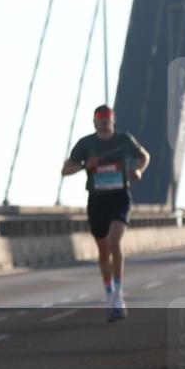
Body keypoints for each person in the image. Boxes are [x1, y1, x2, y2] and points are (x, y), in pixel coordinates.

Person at [61, 104, 150, 322]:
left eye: (107, 117)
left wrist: (138, 169)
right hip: (97, 200)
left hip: (119, 197)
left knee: (114, 241)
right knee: (103, 251)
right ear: (94, 122)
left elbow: (144, 155)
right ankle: (109, 294)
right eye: (100, 117)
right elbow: (65, 170)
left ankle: (119, 295)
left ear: (113, 120)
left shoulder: (123, 140)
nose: (104, 120)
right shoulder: (86, 144)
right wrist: (84, 165)